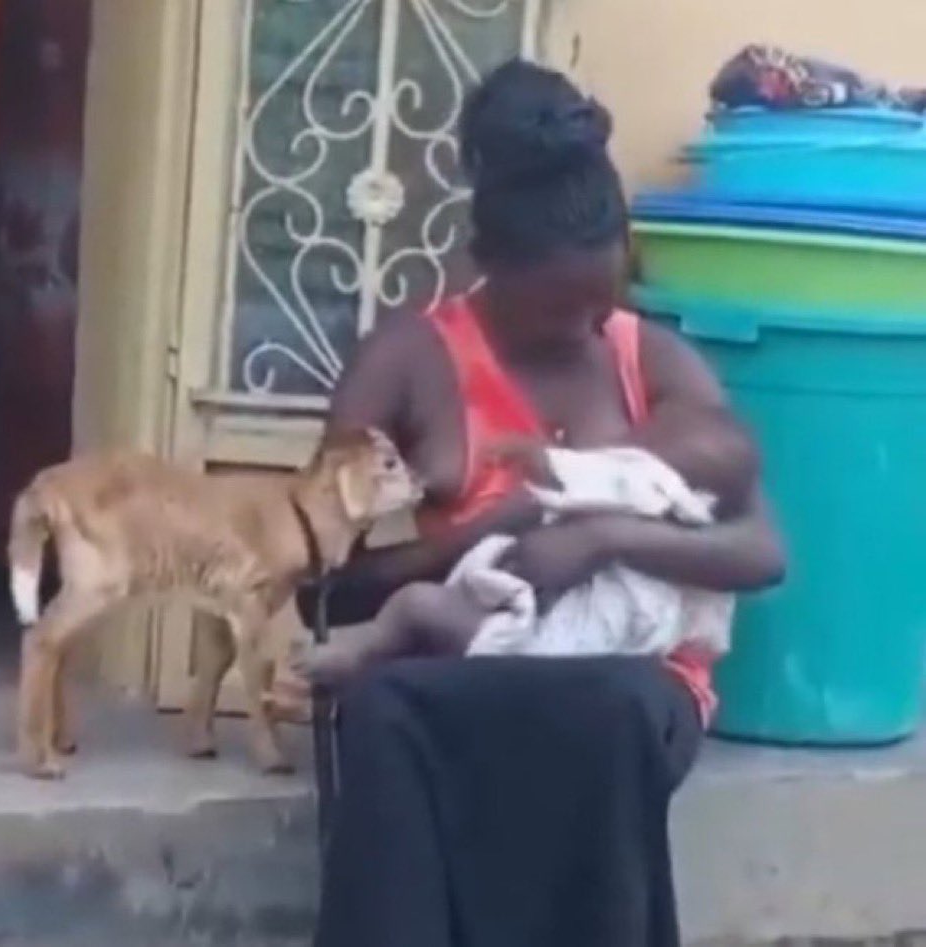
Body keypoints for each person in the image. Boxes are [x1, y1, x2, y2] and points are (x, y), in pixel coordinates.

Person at [308, 59, 785, 947]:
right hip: (464, 662)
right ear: (483, 265)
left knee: (610, 702)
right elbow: (319, 582)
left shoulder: (653, 359)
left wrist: (603, 538)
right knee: (382, 712)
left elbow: (762, 551)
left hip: (630, 682)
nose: (584, 329)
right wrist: (500, 527)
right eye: (554, 308)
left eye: (600, 300)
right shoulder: (407, 361)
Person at [301, 403, 758, 685]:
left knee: (419, 606)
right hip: (598, 659)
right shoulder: (693, 533)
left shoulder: (650, 484)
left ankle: (362, 653)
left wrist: (534, 455)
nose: (637, 437)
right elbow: (708, 631)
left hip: (546, 643)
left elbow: (596, 477)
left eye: (654, 434)